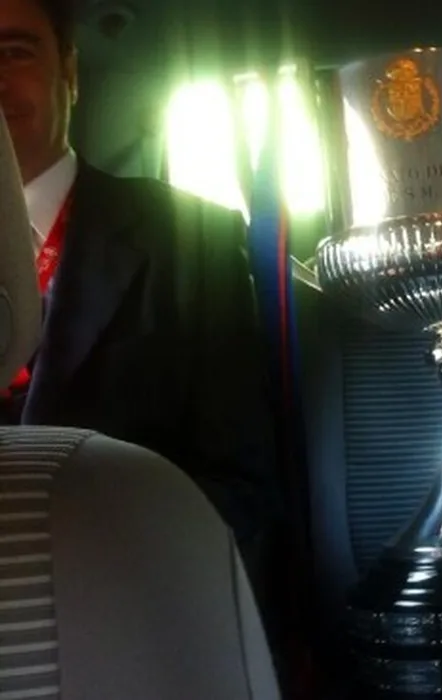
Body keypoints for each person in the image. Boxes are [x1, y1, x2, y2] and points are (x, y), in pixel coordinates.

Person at [0, 0, 281, 592]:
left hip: (131, 598)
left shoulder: (192, 239)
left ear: (69, 72)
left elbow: (240, 485)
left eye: (14, 52)